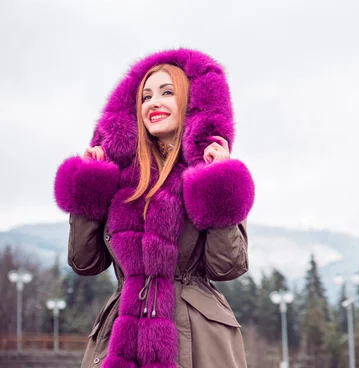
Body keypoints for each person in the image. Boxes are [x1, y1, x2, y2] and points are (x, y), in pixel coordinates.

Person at [54, 49, 255, 368]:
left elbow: (227, 266)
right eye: (145, 96)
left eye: (167, 92)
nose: (153, 102)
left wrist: (218, 180)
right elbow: (85, 262)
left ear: (190, 103)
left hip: (195, 339)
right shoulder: (119, 179)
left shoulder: (209, 172)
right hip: (121, 338)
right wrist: (91, 183)